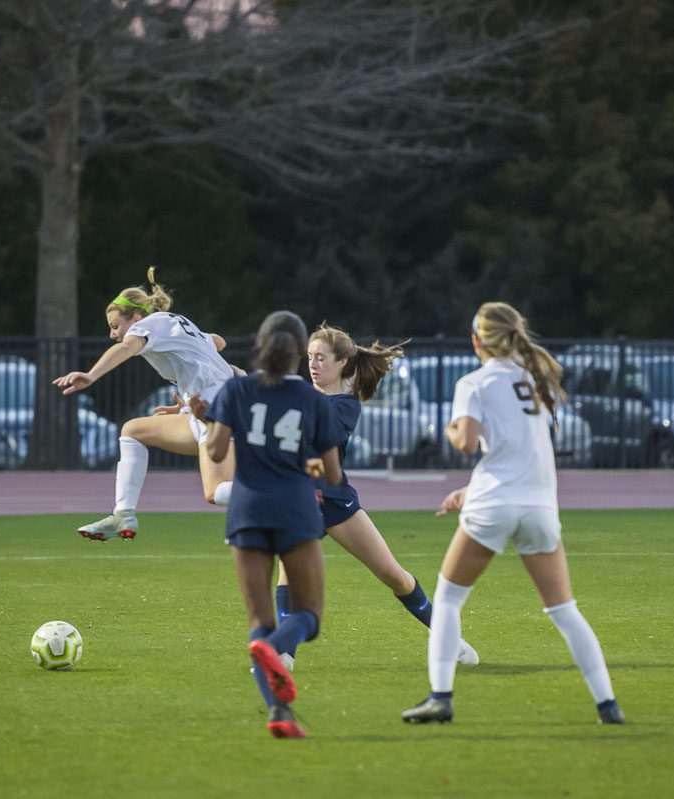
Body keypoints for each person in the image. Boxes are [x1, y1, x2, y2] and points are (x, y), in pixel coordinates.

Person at [401, 301, 623, 725]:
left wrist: (450, 430)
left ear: (476, 341)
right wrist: (471, 489)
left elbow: (466, 442)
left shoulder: (475, 383)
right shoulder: (536, 379)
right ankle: (607, 704)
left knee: (447, 599)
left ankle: (440, 697)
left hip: (494, 507)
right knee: (564, 611)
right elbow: (520, 453)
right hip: (539, 506)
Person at [271, 324, 478, 668]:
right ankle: (282, 654)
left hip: (335, 502)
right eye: (309, 357)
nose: (313, 364)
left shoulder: (345, 406)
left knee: (392, 575)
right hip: (297, 501)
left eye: (321, 358)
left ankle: (448, 638)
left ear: (342, 363)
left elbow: (316, 433)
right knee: (288, 577)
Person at [191, 310, 342, 739]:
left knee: (260, 621)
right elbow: (332, 475)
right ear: (298, 352)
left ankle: (280, 711)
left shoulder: (237, 389)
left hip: (248, 509)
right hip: (295, 509)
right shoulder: (314, 400)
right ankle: (276, 651)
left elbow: (218, 454)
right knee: (309, 614)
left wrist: (208, 419)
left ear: (260, 344)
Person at [53, 268, 238, 541]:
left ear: (136, 318)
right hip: (207, 405)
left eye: (115, 326)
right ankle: (123, 514)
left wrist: (91, 375)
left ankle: (290, 493)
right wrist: (188, 399)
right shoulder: (173, 324)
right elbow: (218, 342)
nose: (113, 334)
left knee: (215, 492)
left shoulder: (148, 326)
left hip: (215, 407)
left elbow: (127, 348)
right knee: (132, 431)